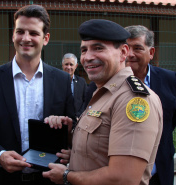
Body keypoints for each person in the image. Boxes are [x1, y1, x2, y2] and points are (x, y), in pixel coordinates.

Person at [42, 19, 163, 185]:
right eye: (84, 50)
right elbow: (98, 151)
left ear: (123, 52)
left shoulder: (134, 100)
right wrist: (71, 133)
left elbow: (123, 179)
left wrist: (66, 176)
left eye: (98, 48)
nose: (88, 57)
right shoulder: (103, 92)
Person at [0, 4, 75, 185]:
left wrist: (70, 146)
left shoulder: (62, 80)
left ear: (46, 38)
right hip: (4, 179)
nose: (26, 38)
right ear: (13, 35)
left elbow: (72, 127)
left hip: (48, 179)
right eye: (20, 31)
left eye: (34, 33)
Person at [125, 25, 176, 185]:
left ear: (151, 53)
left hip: (160, 170)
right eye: (126, 48)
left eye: (137, 48)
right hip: (122, 173)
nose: (130, 54)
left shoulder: (169, 79)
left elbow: (174, 115)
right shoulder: (108, 83)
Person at [62, 53, 87, 118]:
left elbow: (86, 101)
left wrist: (79, 115)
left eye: (71, 64)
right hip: (62, 121)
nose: (69, 67)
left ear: (76, 66)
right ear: (62, 65)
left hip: (78, 119)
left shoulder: (82, 82)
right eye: (66, 64)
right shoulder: (55, 82)